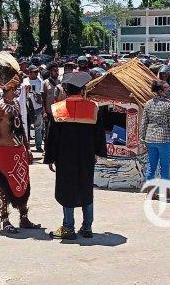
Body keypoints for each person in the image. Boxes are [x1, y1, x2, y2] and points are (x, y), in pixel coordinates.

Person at [45, 72, 107, 240]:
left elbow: (52, 137)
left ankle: (68, 227)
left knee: (67, 189)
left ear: (66, 89)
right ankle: (87, 228)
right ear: (83, 89)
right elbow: (99, 135)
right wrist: (97, 152)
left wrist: (50, 157)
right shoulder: (93, 108)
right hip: (86, 156)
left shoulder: (58, 109)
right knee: (86, 189)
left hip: (65, 158)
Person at [0, 51, 40, 234]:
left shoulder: (16, 105)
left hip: (19, 152)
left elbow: (21, 128)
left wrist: (27, 148)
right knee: (2, 186)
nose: (17, 90)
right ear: (7, 88)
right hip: (4, 154)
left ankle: (24, 218)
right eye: (14, 88)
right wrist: (1, 148)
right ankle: (5, 220)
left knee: (23, 184)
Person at [140, 80, 170, 200]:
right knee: (165, 167)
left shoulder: (148, 104)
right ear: (160, 91)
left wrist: (142, 139)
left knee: (151, 166)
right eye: (166, 88)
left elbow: (143, 123)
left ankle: (150, 193)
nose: (169, 90)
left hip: (150, 139)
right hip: (164, 139)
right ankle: (167, 193)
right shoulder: (168, 105)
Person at [41, 62, 64, 148]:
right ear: (50, 72)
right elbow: (42, 98)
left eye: (57, 70)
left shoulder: (61, 82)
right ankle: (47, 149)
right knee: (48, 132)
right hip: (49, 111)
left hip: (59, 112)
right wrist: (44, 112)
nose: (57, 72)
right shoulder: (45, 83)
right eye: (55, 70)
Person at [24, 65, 44, 152]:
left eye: (37, 72)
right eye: (34, 72)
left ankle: (38, 145)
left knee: (38, 127)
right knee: (27, 128)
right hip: (27, 108)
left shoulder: (40, 81)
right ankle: (27, 146)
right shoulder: (25, 81)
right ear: (30, 73)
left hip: (38, 108)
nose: (36, 73)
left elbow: (42, 95)